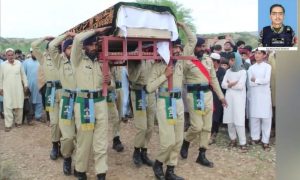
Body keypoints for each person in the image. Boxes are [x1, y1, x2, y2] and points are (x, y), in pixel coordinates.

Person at [148, 22, 193, 180]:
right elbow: (149, 88)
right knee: (167, 141)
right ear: (166, 49)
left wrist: (183, 26)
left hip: (178, 102)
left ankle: (171, 170)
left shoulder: (180, 62)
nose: (178, 50)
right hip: (164, 101)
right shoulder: (158, 65)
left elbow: (192, 41)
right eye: (174, 47)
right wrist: (164, 76)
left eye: (179, 47)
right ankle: (159, 163)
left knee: (178, 140)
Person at [180, 33, 227, 167]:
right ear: (193, 47)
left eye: (203, 46)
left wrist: (221, 97)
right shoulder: (186, 60)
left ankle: (202, 154)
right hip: (194, 95)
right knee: (196, 126)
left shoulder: (208, 60)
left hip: (207, 95)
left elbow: (213, 79)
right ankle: (186, 141)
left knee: (207, 127)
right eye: (199, 46)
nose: (202, 49)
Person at [71, 27, 111, 180]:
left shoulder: (101, 62)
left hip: (100, 102)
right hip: (85, 103)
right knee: (85, 140)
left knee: (101, 139)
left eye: (95, 45)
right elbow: (77, 39)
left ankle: (101, 172)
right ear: (84, 47)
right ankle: (80, 170)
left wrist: (109, 81)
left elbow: (108, 83)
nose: (94, 47)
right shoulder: (77, 60)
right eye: (91, 45)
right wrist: (96, 31)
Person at [48, 32, 77, 176]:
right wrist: (66, 35)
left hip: (81, 101)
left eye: (74, 47)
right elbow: (52, 46)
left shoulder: (81, 61)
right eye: (68, 48)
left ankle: (80, 163)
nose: (71, 50)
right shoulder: (60, 62)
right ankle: (67, 157)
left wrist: (77, 37)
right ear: (64, 51)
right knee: (67, 136)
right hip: (66, 100)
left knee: (83, 134)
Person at [31, 36, 62, 160]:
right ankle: (55, 145)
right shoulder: (43, 59)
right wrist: (44, 38)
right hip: (51, 92)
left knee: (66, 122)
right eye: (51, 47)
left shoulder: (63, 58)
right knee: (54, 122)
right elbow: (34, 45)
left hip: (65, 92)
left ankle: (66, 147)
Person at [128, 56, 156, 167]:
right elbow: (133, 78)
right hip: (138, 92)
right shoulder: (133, 59)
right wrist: (139, 62)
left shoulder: (152, 57)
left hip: (151, 93)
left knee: (150, 126)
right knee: (142, 127)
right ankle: (136, 151)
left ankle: (144, 152)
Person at [221, 52, 248, 152]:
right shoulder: (228, 71)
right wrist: (232, 84)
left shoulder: (243, 72)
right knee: (229, 120)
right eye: (230, 60)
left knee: (239, 121)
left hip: (239, 100)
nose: (231, 62)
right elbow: (223, 84)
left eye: (233, 60)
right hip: (229, 98)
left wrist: (230, 84)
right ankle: (233, 139)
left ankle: (243, 143)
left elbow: (240, 86)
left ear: (237, 60)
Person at [248, 49, 272, 151]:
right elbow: (250, 83)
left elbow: (266, 80)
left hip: (265, 95)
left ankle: (265, 141)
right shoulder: (251, 68)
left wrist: (256, 80)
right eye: (255, 53)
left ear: (264, 55)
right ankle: (255, 138)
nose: (257, 55)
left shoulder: (268, 67)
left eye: (259, 53)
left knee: (266, 118)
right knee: (254, 118)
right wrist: (258, 81)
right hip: (254, 95)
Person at [0, 48, 28, 132]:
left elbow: (23, 75)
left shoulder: (19, 63)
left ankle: (18, 122)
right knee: (7, 106)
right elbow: (0, 78)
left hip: (18, 88)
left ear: (14, 55)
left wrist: (26, 85)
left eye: (12, 55)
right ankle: (8, 125)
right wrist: (0, 88)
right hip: (7, 89)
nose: (10, 56)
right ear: (6, 56)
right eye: (8, 55)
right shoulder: (3, 65)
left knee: (19, 105)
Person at [209, 53, 226, 145]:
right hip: (208, 95)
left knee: (216, 115)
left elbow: (221, 85)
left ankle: (214, 133)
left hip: (217, 96)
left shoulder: (222, 71)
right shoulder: (208, 70)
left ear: (216, 62)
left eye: (212, 61)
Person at [22, 50, 43, 124]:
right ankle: (30, 114)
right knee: (29, 100)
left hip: (40, 85)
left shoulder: (41, 61)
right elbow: (23, 74)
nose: (34, 53)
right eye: (32, 52)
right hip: (29, 85)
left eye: (35, 52)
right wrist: (24, 85)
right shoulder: (26, 62)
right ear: (30, 53)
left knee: (39, 100)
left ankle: (38, 116)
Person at [108, 66, 125, 152]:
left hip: (119, 88)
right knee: (114, 115)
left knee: (119, 115)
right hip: (109, 90)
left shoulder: (119, 62)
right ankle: (116, 139)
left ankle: (117, 137)